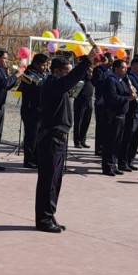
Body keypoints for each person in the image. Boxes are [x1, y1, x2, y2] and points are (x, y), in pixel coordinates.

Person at [35, 51, 98, 233]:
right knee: (48, 180)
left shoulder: (57, 85)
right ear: (57, 71)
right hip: (51, 138)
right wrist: (87, 60)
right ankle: (44, 219)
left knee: (55, 181)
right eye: (67, 73)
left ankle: (50, 215)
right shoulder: (52, 84)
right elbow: (71, 80)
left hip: (59, 138)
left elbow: (71, 81)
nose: (70, 78)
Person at [97, 59, 135, 176]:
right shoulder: (110, 80)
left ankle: (114, 164)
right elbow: (112, 98)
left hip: (122, 115)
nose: (125, 70)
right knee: (110, 142)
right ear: (116, 68)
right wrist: (128, 98)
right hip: (112, 116)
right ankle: (107, 167)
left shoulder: (122, 81)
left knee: (117, 143)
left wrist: (132, 92)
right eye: (123, 68)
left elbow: (124, 94)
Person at [17, 54, 49, 169]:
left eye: (46, 65)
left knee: (39, 136)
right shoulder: (29, 74)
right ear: (35, 64)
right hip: (31, 110)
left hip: (40, 109)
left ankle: (37, 158)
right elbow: (39, 86)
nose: (45, 67)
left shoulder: (44, 74)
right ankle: (29, 160)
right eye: (43, 65)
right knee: (31, 136)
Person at [117, 56, 138, 172]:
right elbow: (133, 94)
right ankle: (122, 162)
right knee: (127, 138)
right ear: (133, 66)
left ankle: (130, 160)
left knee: (135, 139)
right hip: (131, 111)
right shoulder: (129, 78)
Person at [91, 59, 112, 156]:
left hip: (109, 101)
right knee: (100, 125)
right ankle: (98, 148)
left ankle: (105, 146)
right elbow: (98, 83)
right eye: (110, 60)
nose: (112, 62)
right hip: (101, 100)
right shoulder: (98, 70)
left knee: (107, 126)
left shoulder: (110, 71)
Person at [72, 65, 94, 149]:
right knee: (79, 122)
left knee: (86, 122)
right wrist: (85, 77)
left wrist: (90, 77)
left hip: (89, 100)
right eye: (89, 72)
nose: (91, 73)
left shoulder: (91, 80)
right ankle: (77, 141)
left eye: (91, 72)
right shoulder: (81, 77)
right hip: (80, 100)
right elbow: (75, 89)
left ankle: (82, 140)